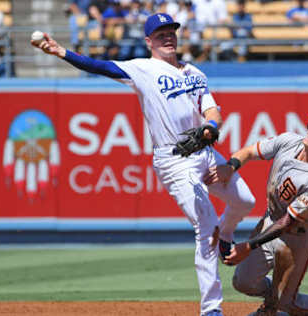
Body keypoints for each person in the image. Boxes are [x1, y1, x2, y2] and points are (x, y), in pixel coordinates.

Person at [31, 13, 256, 316]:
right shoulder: (142, 69)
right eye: (160, 33)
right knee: (205, 227)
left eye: (171, 31)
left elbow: (212, 109)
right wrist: (62, 53)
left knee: (245, 200)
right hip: (175, 161)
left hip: (204, 153)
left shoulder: (195, 72)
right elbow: (99, 66)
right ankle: (212, 309)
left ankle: (226, 235)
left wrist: (211, 128)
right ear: (148, 41)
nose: (168, 37)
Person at [204, 111, 308, 316]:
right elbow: (249, 151)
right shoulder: (289, 141)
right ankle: (273, 301)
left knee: (285, 306)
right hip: (270, 222)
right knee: (243, 282)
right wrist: (230, 167)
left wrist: (248, 246)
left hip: (298, 238)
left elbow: (287, 222)